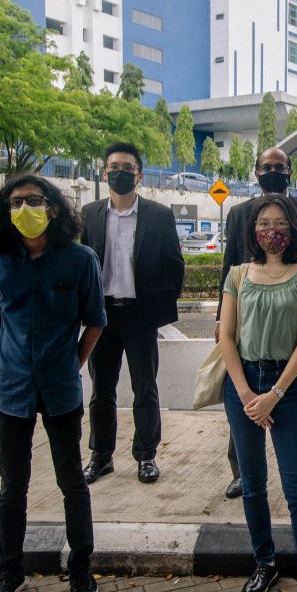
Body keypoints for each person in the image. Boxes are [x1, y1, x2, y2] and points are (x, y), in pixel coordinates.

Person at [0, 175, 105, 592]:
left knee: (72, 482)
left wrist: (72, 363)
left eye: (33, 200)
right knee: (12, 487)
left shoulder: (80, 260)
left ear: (52, 207)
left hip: (61, 389)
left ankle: (81, 568)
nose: (24, 209)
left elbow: (95, 320)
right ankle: (10, 573)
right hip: (11, 392)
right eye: (15, 202)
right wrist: (15, 360)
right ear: (5, 211)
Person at [218, 193, 297, 592]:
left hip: (286, 387)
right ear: (253, 230)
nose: (272, 230)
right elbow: (226, 337)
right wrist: (247, 394)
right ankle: (264, 563)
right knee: (252, 484)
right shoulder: (236, 275)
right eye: (264, 223)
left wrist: (274, 394)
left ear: (293, 231)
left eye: (281, 224)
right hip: (243, 385)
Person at [216, 147, 297, 500]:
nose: (273, 172)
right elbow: (229, 265)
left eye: (279, 167)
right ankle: (241, 471)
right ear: (256, 173)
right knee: (241, 393)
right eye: (266, 167)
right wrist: (221, 317)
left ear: (289, 171)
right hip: (248, 317)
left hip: (295, 317)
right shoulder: (239, 213)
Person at [80, 142, 185, 485]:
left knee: (145, 388)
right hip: (101, 316)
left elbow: (174, 266)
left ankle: (146, 455)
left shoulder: (158, 215)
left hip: (140, 316)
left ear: (139, 175)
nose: (120, 173)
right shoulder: (90, 214)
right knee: (101, 391)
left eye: (128, 168)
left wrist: (159, 305)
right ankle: (101, 456)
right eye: (114, 167)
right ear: (104, 172)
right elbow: (81, 265)